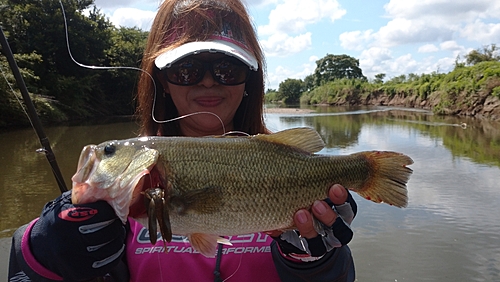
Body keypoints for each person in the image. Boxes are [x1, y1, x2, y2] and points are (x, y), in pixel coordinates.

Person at [9, 0, 357, 281]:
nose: (208, 83)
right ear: (161, 80)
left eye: (227, 69)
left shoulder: (288, 165)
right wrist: (42, 253)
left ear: (250, 80)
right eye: (186, 70)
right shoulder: (117, 193)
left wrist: (314, 263)